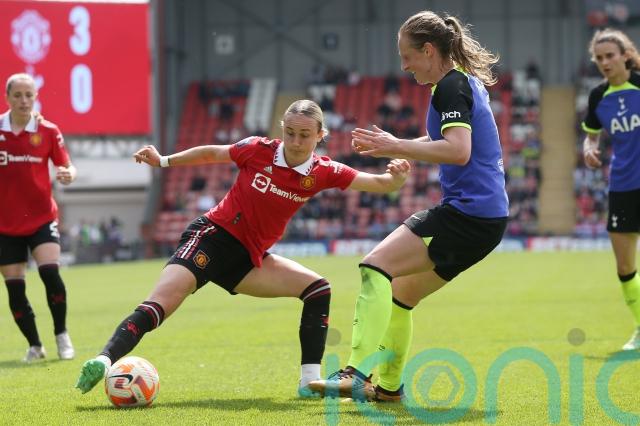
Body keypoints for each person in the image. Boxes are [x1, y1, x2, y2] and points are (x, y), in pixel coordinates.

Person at [75, 99, 410, 397]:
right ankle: (104, 360)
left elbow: (377, 183)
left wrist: (395, 180)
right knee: (160, 305)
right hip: (211, 238)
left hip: (247, 259)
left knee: (318, 289)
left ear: (320, 135)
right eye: (290, 132)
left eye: (305, 135)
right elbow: (212, 153)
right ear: (282, 128)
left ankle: (309, 382)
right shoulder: (258, 149)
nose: (296, 141)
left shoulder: (324, 171)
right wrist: (163, 161)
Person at [309, 10, 509, 401]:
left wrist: (396, 145)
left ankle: (355, 373)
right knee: (400, 295)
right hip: (486, 218)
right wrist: (401, 146)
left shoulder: (451, 87)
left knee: (374, 266)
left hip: (468, 214)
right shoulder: (460, 82)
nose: (404, 66)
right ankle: (388, 389)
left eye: (407, 56)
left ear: (429, 50)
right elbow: (445, 139)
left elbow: (459, 150)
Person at [0, 73, 76, 362]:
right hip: (5, 224)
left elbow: (67, 165)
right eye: (17, 95)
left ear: (35, 97)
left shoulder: (48, 130)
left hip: (41, 217)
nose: (24, 100)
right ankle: (35, 345)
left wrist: (68, 174)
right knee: (15, 287)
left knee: (50, 272)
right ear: (7, 98)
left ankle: (62, 334)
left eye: (29, 95)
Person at [581, 28, 640, 351]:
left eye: (610, 56)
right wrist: (589, 148)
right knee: (624, 267)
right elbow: (591, 136)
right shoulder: (598, 96)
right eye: (599, 58)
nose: (604, 62)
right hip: (622, 186)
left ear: (625, 56)